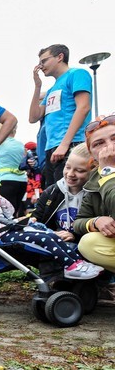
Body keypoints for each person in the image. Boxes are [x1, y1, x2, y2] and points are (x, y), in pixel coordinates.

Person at [0, 182, 102, 279]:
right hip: (3, 237)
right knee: (44, 239)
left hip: (12, 230)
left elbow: (10, 210)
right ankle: (70, 266)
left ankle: (77, 262)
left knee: (50, 235)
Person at [29, 44, 92, 189]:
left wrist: (64, 144)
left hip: (71, 144)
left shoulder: (77, 74)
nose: (40, 66)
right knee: (54, 196)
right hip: (51, 147)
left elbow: (83, 107)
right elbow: (34, 117)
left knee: (71, 194)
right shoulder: (52, 89)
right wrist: (37, 87)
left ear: (60, 57)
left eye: (44, 61)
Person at [72, 115, 115, 271]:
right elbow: (79, 222)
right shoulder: (95, 179)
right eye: (99, 143)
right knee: (89, 243)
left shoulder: (106, 173)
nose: (109, 146)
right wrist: (95, 222)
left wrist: (109, 172)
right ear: (92, 154)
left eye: (114, 138)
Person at [31, 143, 94, 241]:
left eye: (80, 171)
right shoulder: (51, 192)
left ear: (94, 171)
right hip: (53, 243)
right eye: (67, 167)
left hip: (83, 246)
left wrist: (75, 237)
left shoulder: (96, 196)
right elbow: (37, 218)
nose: (70, 174)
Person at [0, 125, 28, 216]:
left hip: (6, 180)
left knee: (7, 212)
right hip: (22, 180)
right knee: (16, 209)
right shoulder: (20, 144)